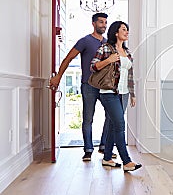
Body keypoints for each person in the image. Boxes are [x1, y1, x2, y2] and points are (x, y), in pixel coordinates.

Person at [49, 12, 116, 161]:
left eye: (105, 22)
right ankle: (88, 149)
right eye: (101, 22)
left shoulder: (108, 43)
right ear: (94, 23)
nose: (104, 25)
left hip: (105, 87)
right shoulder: (85, 41)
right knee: (87, 118)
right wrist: (58, 76)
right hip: (89, 85)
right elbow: (68, 59)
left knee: (111, 116)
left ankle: (104, 146)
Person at [90, 21, 142, 172]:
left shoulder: (127, 52)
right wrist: (108, 60)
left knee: (113, 125)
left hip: (124, 93)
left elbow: (130, 75)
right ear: (115, 32)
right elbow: (92, 66)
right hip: (109, 93)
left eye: (127, 30)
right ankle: (127, 161)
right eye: (124, 29)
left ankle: (107, 159)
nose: (127, 32)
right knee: (120, 125)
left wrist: (132, 94)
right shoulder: (106, 48)